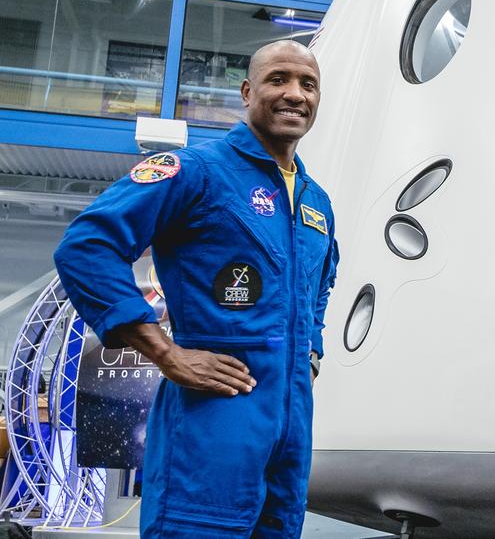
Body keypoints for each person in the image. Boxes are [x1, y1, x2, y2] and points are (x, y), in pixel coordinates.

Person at [55, 39, 339, 539]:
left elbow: (322, 280)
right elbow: (86, 247)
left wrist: (310, 352)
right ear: (248, 92)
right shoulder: (195, 172)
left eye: (307, 84)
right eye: (279, 80)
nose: (295, 93)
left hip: (290, 432)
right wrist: (166, 354)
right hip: (210, 424)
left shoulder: (316, 202)